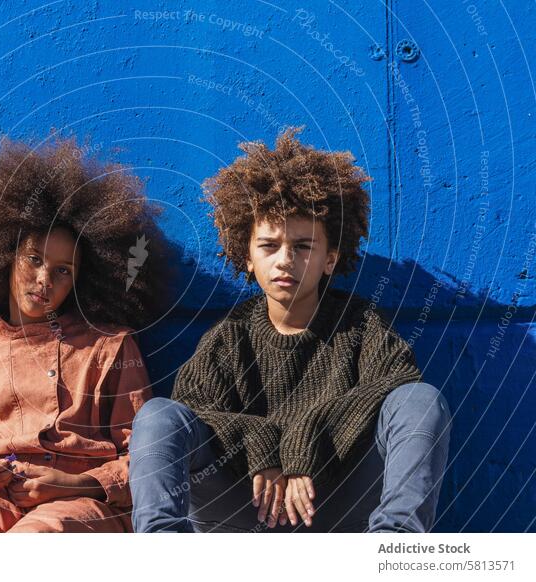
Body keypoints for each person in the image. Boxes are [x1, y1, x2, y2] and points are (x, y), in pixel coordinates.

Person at [129, 127, 452, 533]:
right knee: (159, 415)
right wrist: (264, 447)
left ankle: (394, 547)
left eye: (303, 247)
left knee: (420, 401)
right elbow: (196, 411)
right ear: (247, 257)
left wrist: (305, 445)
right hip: (243, 512)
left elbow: (394, 386)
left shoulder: (360, 326)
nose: (285, 260)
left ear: (330, 260)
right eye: (269, 246)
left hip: (333, 508)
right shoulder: (228, 338)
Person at [0, 136, 171, 532]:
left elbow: (144, 459)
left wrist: (77, 483)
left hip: (79, 503)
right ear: (2, 257)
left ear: (82, 281)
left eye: (62, 270)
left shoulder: (111, 347)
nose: (43, 279)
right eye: (33, 260)